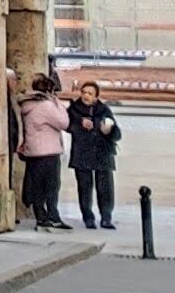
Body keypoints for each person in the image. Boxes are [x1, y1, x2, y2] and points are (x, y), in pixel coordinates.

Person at [18, 70, 68, 230]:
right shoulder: (46, 105)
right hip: (48, 151)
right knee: (52, 186)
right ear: (49, 90)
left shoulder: (27, 104)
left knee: (37, 186)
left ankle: (41, 216)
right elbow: (63, 122)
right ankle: (53, 215)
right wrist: (58, 103)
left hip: (33, 151)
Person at [68, 87, 121, 232]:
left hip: (102, 153)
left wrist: (108, 130)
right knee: (85, 187)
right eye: (84, 92)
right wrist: (79, 124)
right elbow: (66, 125)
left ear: (96, 97)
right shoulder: (74, 109)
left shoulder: (104, 110)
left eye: (90, 93)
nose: (86, 96)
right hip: (82, 153)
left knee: (105, 188)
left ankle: (106, 217)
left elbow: (117, 133)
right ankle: (88, 217)